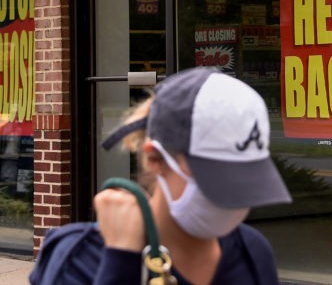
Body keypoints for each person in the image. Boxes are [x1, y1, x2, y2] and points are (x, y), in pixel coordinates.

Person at [35, 67, 291, 284]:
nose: (234, 197)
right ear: (154, 159)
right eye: (218, 177)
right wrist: (121, 260)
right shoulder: (80, 258)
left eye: (248, 180)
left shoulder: (252, 252)